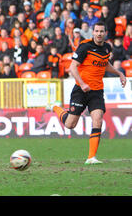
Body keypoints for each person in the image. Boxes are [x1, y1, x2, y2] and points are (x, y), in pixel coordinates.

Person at [50, 22, 127, 165]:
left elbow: (105, 64)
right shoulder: (85, 46)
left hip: (97, 91)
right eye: (96, 31)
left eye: (101, 31)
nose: (99, 34)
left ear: (105, 33)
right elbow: (73, 67)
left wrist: (119, 73)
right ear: (93, 32)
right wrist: (83, 83)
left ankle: (91, 158)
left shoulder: (107, 48)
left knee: (97, 119)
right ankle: (56, 107)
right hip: (81, 90)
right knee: (70, 124)